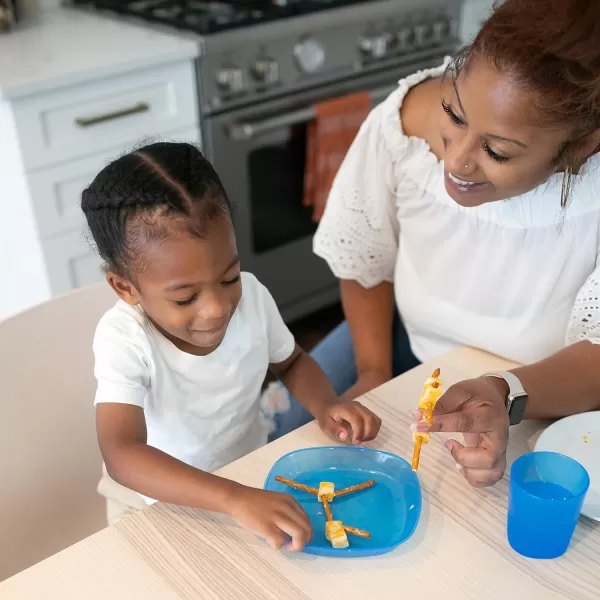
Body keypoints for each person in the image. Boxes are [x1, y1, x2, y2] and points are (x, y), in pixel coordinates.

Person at [272, 0, 600, 488]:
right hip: (406, 340)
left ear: (583, 145)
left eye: (497, 151)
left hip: (547, 385)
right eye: (456, 113)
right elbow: (365, 257)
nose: (457, 160)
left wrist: (506, 392)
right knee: (288, 431)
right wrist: (373, 369)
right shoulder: (405, 126)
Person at [80, 142, 381, 548]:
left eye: (230, 278)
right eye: (185, 298)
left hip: (245, 475)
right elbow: (122, 453)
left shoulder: (253, 297)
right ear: (125, 288)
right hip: (153, 502)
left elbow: (291, 363)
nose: (218, 309)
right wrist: (232, 498)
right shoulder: (125, 338)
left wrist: (326, 404)